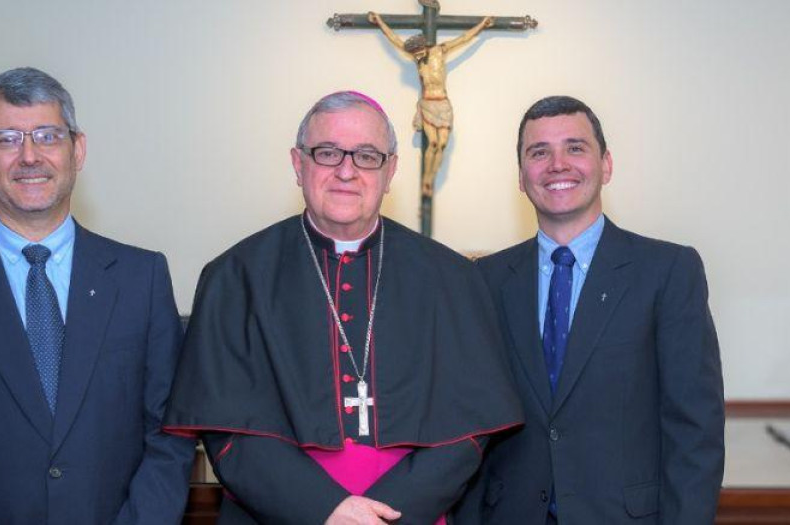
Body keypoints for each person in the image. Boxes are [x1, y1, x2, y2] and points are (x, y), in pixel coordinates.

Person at [163, 91, 523, 525]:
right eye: (328, 153)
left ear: (390, 171)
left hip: (413, 514)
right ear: (298, 165)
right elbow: (227, 433)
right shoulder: (235, 276)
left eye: (367, 156)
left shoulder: (451, 277)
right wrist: (325, 512)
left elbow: (469, 433)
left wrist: (387, 515)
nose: (347, 171)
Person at [0, 67, 195, 524]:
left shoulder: (141, 278)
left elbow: (170, 436)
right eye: (6, 139)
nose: (30, 156)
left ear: (77, 149)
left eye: (47, 136)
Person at [458, 96, 725, 523]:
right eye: (539, 152)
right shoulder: (484, 280)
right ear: (521, 178)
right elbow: (469, 425)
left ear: (606, 165)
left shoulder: (667, 272)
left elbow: (695, 431)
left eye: (575, 148)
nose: (557, 164)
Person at [368, 11, 493, 198]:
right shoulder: (417, 58)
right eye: (415, 56)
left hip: (443, 104)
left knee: (441, 145)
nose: (417, 58)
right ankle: (427, 182)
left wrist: (482, 24)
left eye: (419, 54)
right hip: (427, 104)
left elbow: (464, 38)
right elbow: (393, 38)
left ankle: (431, 178)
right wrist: (379, 21)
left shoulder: (439, 51)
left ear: (424, 47)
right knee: (433, 143)